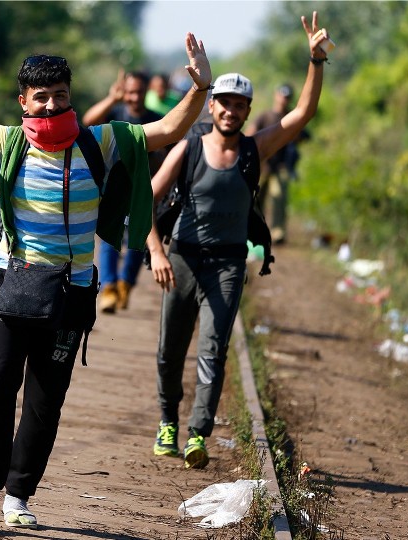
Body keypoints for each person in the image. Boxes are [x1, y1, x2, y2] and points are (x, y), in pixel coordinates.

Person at [0, 29, 212, 527]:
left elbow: (167, 129)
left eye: (59, 95)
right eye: (40, 97)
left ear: (70, 96)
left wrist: (199, 89)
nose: (50, 105)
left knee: (44, 401)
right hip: (10, 281)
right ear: (23, 100)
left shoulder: (100, 140)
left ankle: (18, 497)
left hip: (73, 290)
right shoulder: (8, 142)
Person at [145, 13, 329, 469]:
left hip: (228, 265)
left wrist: (316, 60)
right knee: (171, 350)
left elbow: (302, 113)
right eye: (222, 103)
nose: (230, 110)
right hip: (183, 258)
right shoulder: (189, 147)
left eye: (238, 104)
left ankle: (196, 433)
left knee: (213, 348)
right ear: (212, 108)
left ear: (248, 111)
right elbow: (145, 200)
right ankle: (167, 420)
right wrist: (155, 251)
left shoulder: (254, 148)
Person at [82, 70, 164, 314]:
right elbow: (87, 122)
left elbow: (166, 154)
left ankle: (125, 284)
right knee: (109, 236)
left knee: (138, 240)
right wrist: (112, 99)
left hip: (143, 189)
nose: (134, 97)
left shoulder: (155, 118)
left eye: (138, 92)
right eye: (129, 92)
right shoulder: (116, 114)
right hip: (114, 187)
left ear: (146, 91)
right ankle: (108, 287)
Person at [246, 83, 311, 245]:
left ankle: (277, 233)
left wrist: (294, 137)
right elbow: (250, 134)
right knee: (255, 198)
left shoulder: (293, 117)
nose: (284, 100)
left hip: (281, 166)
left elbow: (305, 136)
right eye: (282, 96)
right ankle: (251, 230)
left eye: (287, 97)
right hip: (262, 165)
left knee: (279, 198)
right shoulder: (265, 116)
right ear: (276, 95)